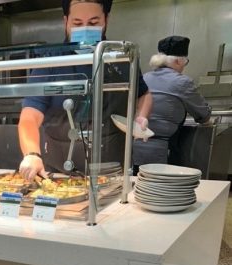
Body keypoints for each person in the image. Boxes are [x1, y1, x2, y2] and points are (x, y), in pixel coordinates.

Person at [18, 0, 152, 181]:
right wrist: (32, 153)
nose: (86, 29)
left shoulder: (121, 57)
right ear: (66, 22)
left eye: (94, 23)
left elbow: (144, 94)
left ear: (106, 20)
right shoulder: (50, 61)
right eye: (78, 23)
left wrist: (141, 116)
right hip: (59, 173)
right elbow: (29, 116)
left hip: (113, 172)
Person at [133, 35, 211, 172]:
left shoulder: (144, 77)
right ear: (178, 61)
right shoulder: (183, 82)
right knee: (159, 190)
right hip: (161, 152)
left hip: (133, 147)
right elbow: (203, 115)